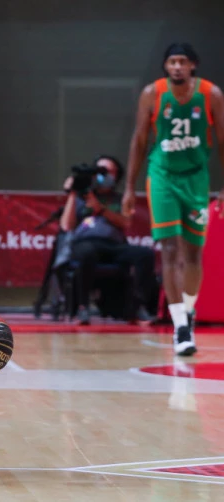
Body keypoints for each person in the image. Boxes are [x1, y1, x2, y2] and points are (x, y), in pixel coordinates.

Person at [123, 43, 224, 356]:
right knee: (168, 249)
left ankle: (189, 311)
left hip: (195, 178)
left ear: (193, 65)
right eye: (172, 62)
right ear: (166, 66)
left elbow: (223, 140)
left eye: (182, 61)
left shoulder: (210, 94)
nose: (177, 66)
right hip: (163, 176)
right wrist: (129, 188)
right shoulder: (152, 93)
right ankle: (180, 324)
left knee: (193, 253)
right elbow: (140, 140)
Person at [60, 156, 156, 325]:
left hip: (114, 246)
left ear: (117, 176)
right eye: (101, 170)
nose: (104, 175)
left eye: (109, 171)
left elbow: (126, 222)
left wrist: (100, 208)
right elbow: (67, 225)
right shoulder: (81, 197)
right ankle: (82, 308)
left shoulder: (120, 199)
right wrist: (73, 192)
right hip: (86, 244)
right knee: (86, 253)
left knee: (145, 254)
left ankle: (138, 307)